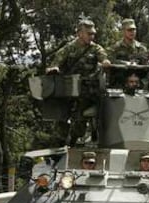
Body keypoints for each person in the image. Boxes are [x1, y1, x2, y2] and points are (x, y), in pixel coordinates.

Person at [46, 18, 111, 146]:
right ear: (80, 33)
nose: (92, 36)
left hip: (86, 91)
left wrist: (105, 62)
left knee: (80, 120)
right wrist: (54, 68)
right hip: (69, 89)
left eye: (93, 34)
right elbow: (57, 61)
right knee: (61, 120)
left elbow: (103, 57)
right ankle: (59, 145)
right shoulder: (69, 48)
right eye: (89, 33)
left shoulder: (96, 48)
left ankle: (75, 141)